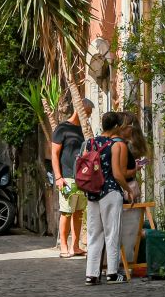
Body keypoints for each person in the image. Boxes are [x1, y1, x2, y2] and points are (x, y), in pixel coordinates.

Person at [83, 112, 134, 285]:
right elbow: (118, 174)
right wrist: (128, 190)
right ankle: (112, 273)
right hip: (110, 192)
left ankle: (91, 274)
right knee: (112, 232)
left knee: (94, 234)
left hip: (92, 192)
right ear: (116, 127)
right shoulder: (116, 145)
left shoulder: (90, 143)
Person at [51, 99, 91, 257]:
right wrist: (58, 177)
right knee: (66, 211)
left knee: (79, 212)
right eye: (87, 113)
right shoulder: (62, 128)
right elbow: (54, 153)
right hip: (66, 177)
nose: (87, 116)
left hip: (81, 177)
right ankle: (63, 246)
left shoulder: (82, 131)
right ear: (80, 109)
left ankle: (75, 246)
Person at [120, 111, 149, 200]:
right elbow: (122, 173)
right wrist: (135, 168)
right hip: (125, 188)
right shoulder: (125, 145)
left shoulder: (124, 144)